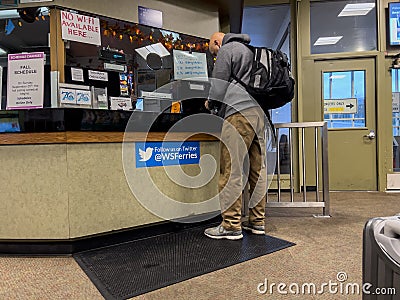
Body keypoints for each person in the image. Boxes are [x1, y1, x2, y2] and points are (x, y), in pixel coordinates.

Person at [204, 32, 268, 240]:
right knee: (258, 170)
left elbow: (218, 85)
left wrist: (210, 103)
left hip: (238, 114)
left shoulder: (227, 50)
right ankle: (257, 221)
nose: (215, 54)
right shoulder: (252, 50)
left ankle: (231, 225)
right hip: (260, 115)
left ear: (216, 42)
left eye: (213, 50)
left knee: (231, 169)